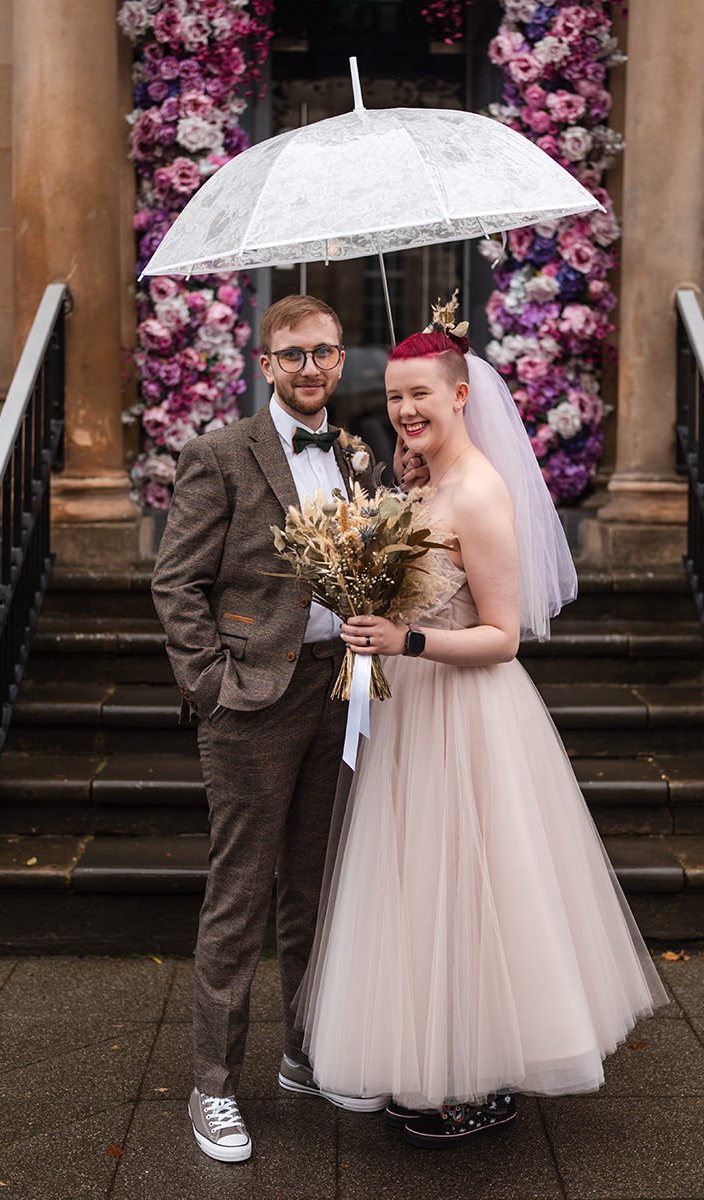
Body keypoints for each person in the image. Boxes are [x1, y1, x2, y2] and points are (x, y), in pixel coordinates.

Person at [295, 301, 669, 1148]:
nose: (406, 411)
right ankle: (428, 1062)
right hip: (415, 715)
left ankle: (480, 1072)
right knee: (419, 891)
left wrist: (405, 636)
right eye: (394, 398)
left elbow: (503, 637)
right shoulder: (420, 483)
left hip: (470, 717)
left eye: (421, 394)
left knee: (477, 894)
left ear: (463, 394)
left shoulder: (483, 491)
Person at [152, 294, 421, 1163]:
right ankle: (214, 1087)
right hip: (252, 699)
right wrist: (212, 684)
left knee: (320, 884)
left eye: (327, 354)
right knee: (242, 893)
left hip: (341, 691)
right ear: (266, 364)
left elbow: (379, 561)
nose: (313, 368)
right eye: (295, 354)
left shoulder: (357, 456)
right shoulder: (219, 454)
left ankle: (306, 1050)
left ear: (344, 362)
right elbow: (177, 582)